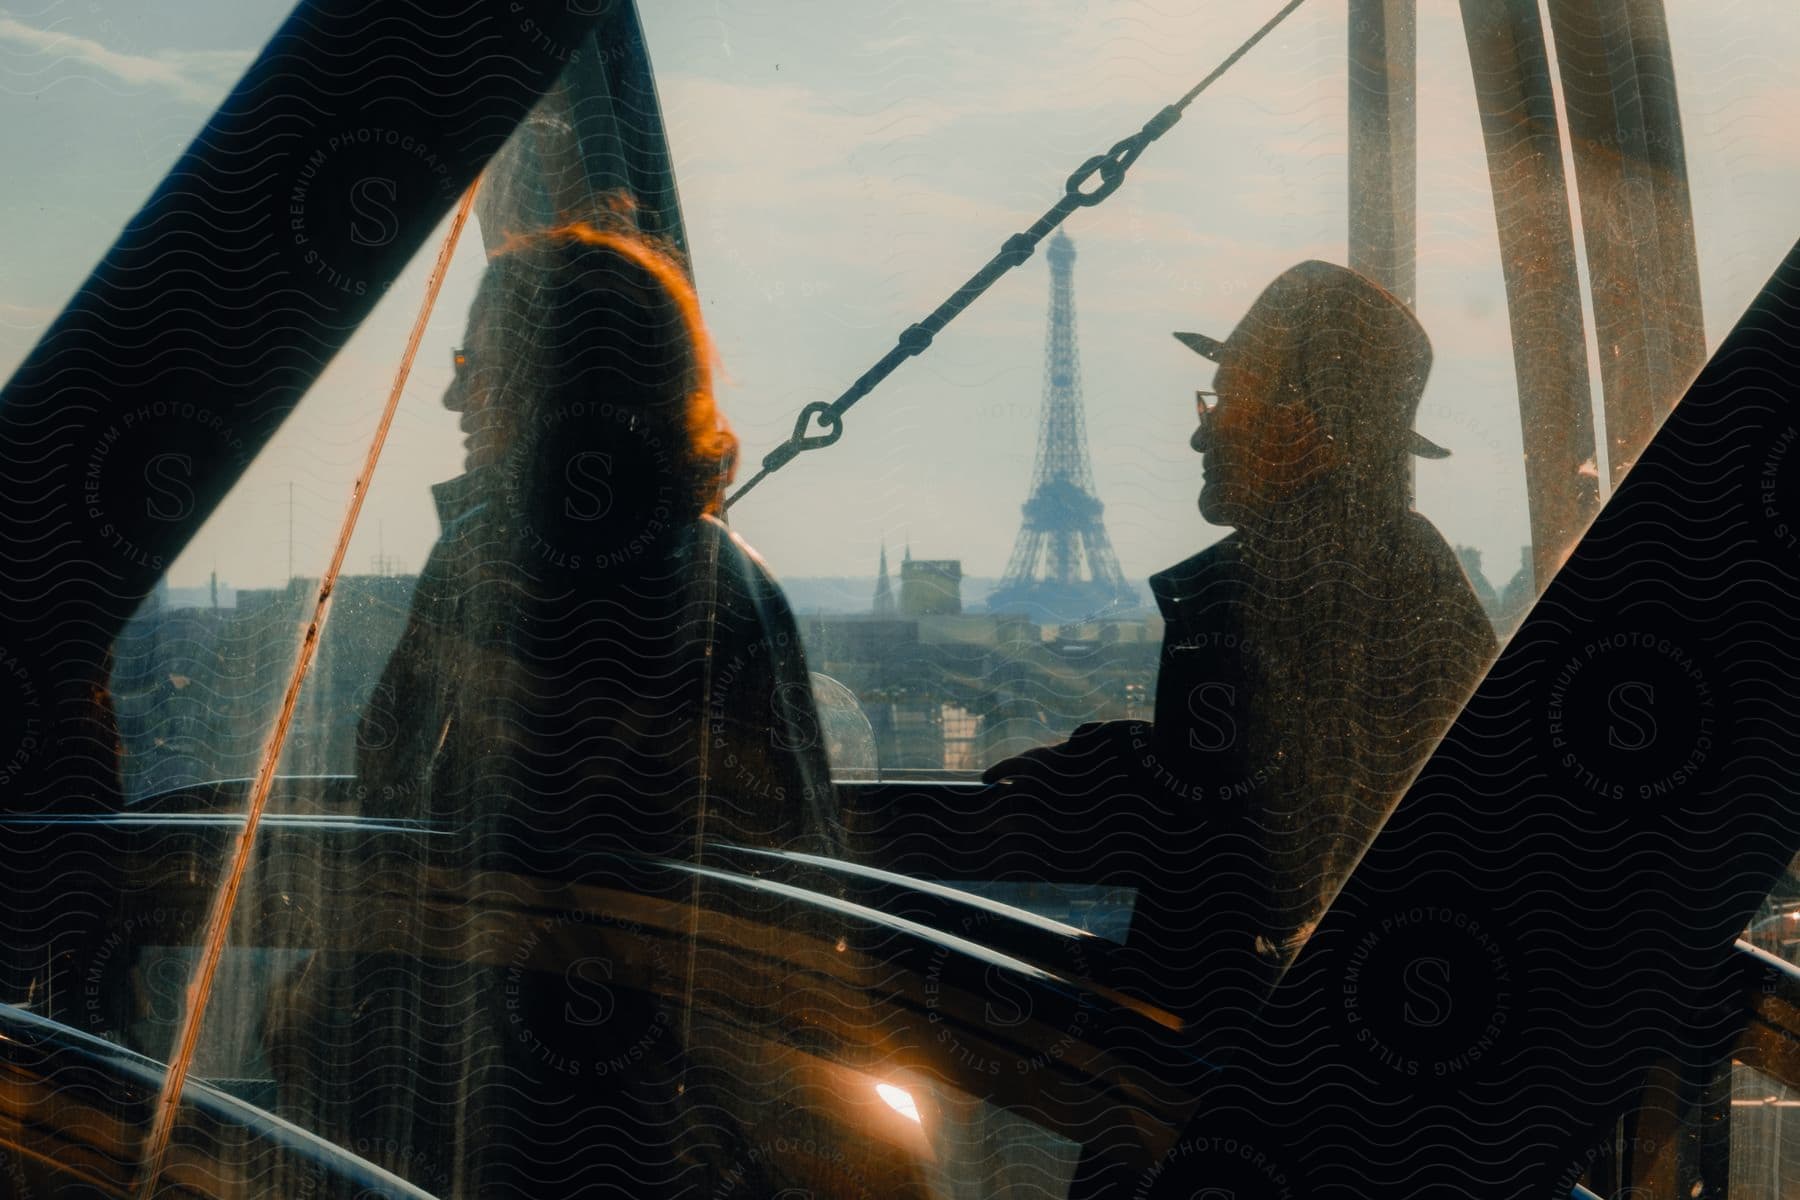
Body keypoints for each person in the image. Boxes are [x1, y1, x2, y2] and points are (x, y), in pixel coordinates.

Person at [281, 212, 843, 1197]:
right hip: (669, 1099)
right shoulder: (723, 578)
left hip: (480, 1079)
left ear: (554, 378)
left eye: (477, 360)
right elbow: (796, 850)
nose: (454, 390)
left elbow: (398, 795)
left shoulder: (487, 562)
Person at [985, 260, 1496, 1009]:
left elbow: (1237, 867)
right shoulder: (1396, 572)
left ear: (1303, 422)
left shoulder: (1261, 593)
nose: (1202, 433)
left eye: (1225, 399)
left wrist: (1121, 767)